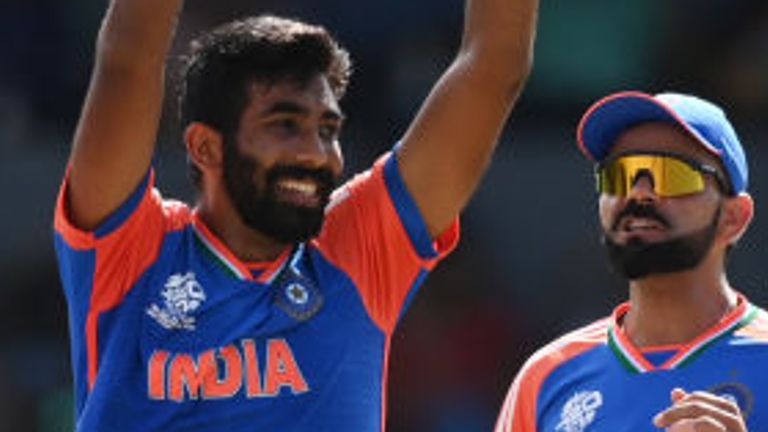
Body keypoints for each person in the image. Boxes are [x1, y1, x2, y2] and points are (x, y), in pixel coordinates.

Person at [52, 0, 537, 430]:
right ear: (206, 146)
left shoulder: (357, 252)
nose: (316, 154)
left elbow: (493, 65)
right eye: (285, 125)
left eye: (328, 129)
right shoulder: (133, 250)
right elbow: (127, 58)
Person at [494, 91, 768, 431]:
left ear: (734, 217)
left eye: (672, 174)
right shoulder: (547, 374)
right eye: (617, 175)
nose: (639, 193)